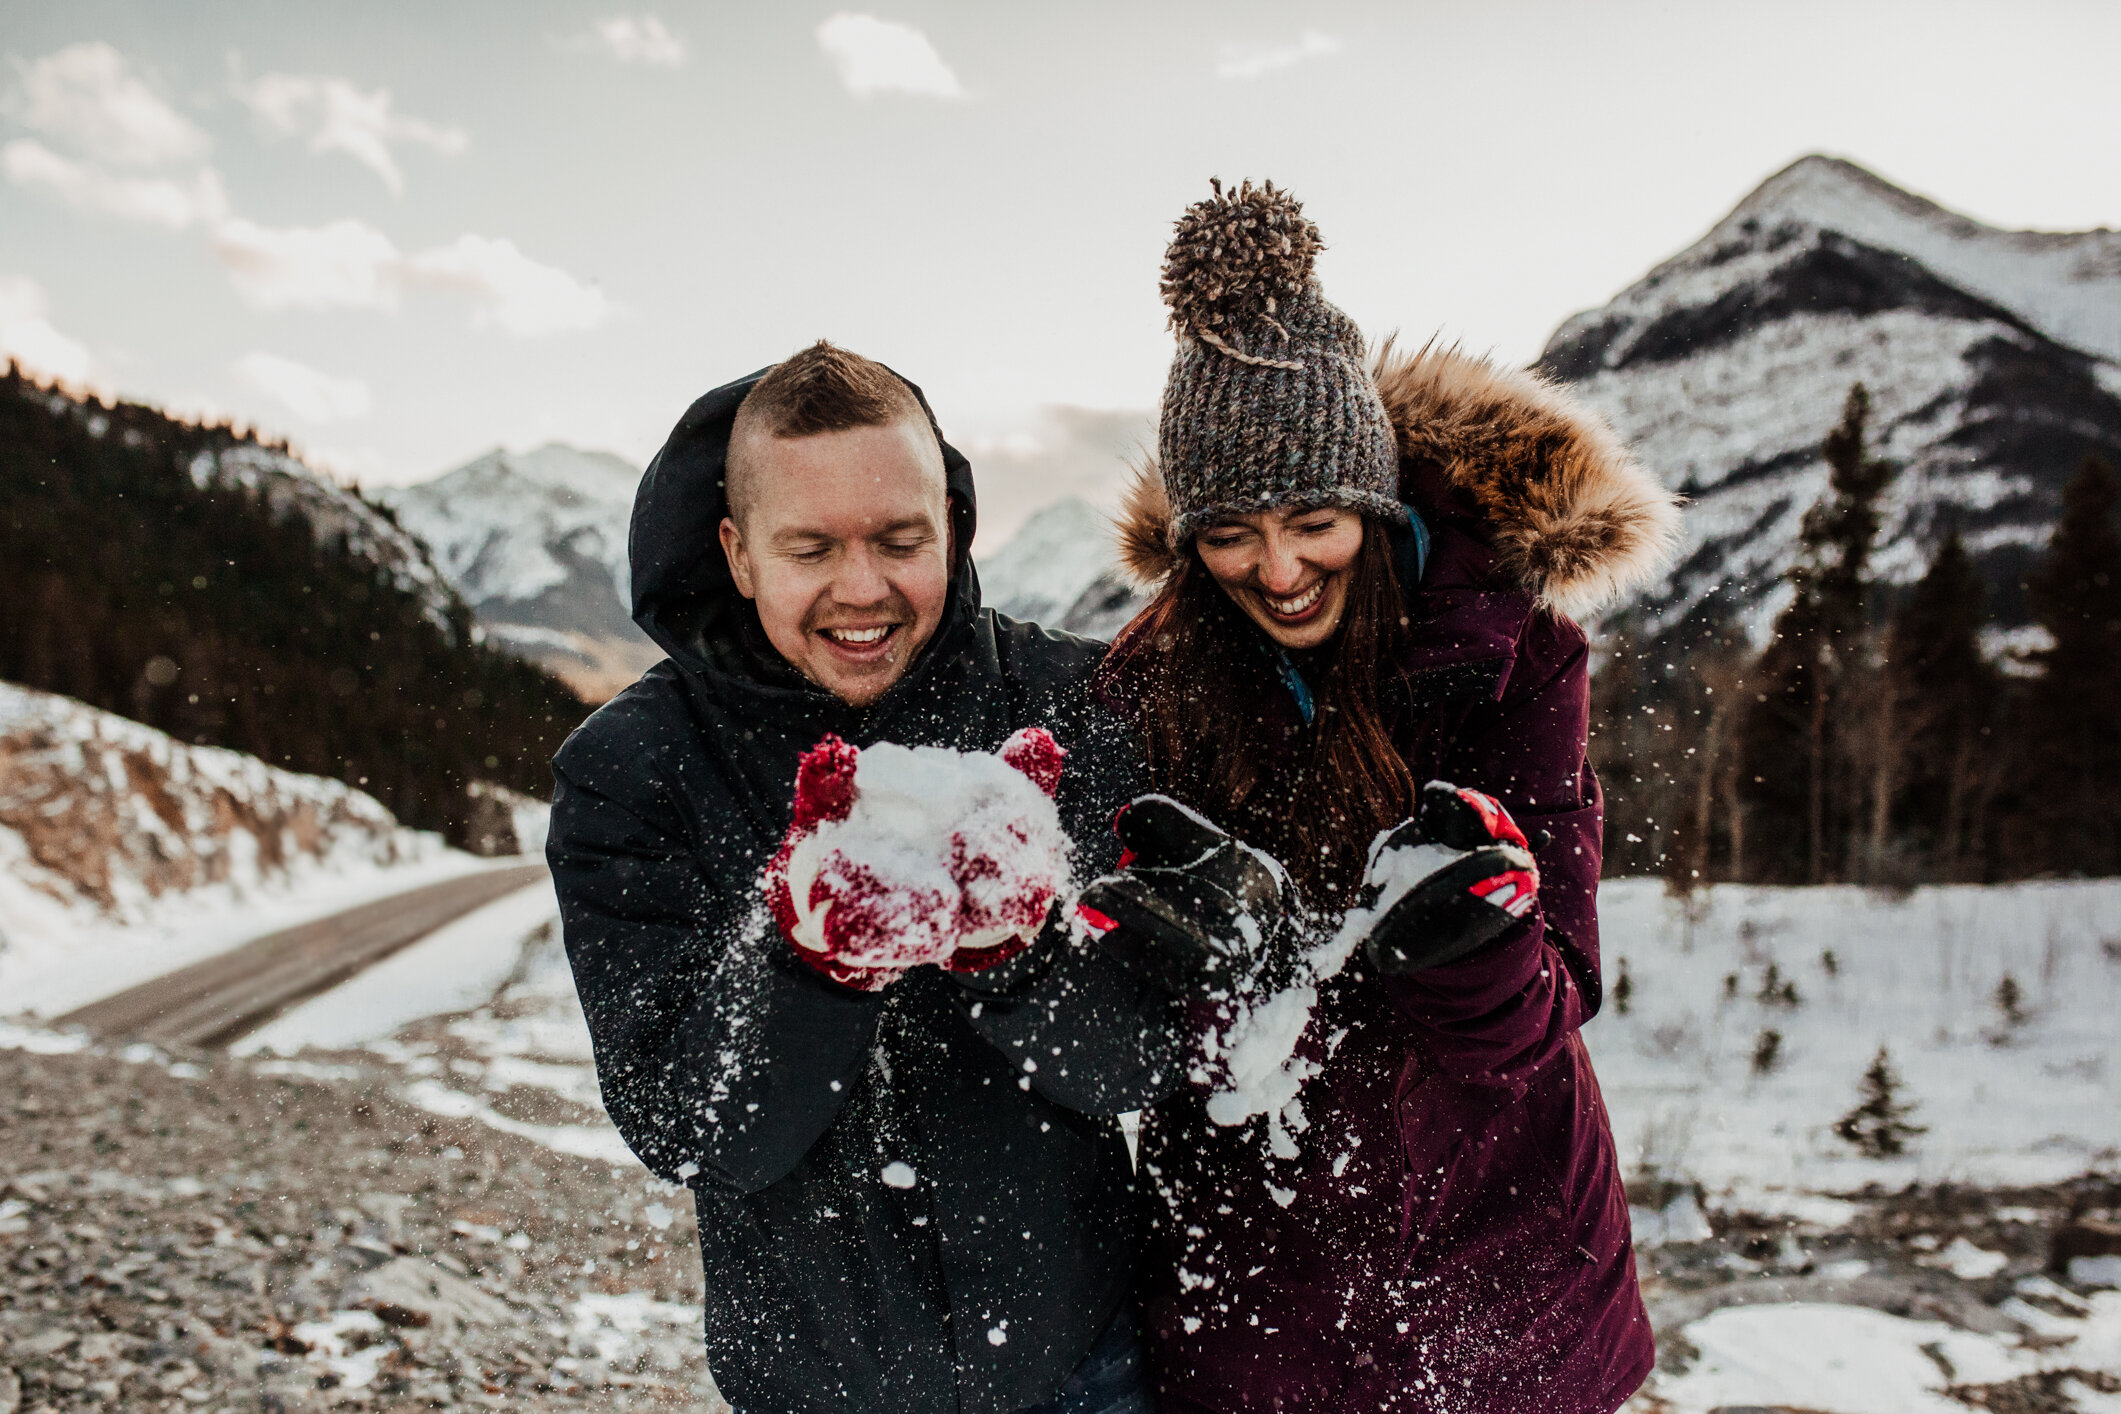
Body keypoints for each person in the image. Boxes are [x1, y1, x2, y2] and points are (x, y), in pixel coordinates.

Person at [1079, 182, 1680, 1411]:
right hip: (1257, 1292)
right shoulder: (1148, 686)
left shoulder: (1514, 645)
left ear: (1372, 499)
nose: (1279, 568)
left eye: (1314, 520)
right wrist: (1205, 976)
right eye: (1231, 533)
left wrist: (1470, 943)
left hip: (1507, 1271)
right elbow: (1139, 1049)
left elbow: (1557, 996)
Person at [546, 341, 1183, 1414]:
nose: (862, 589)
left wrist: (1021, 960)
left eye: (900, 539)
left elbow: (1149, 1060)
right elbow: (680, 1123)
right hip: (811, 1387)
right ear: (739, 553)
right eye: (811, 550)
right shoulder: (630, 773)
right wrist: (808, 968)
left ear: (954, 525)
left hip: (1083, 1362)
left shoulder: (1070, 706)